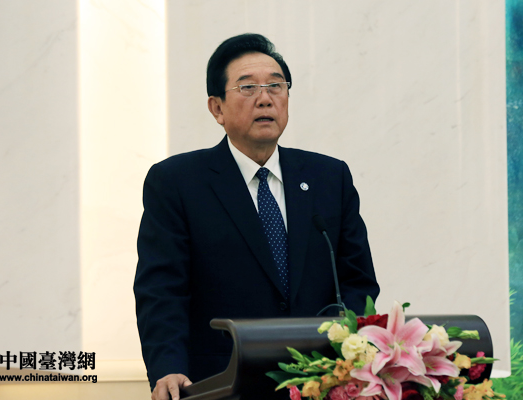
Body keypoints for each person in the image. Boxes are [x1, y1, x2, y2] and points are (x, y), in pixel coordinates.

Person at [134, 33, 379, 400]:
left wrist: (351, 357)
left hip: (320, 381)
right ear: (217, 108)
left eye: (276, 86)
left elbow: (357, 281)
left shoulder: (329, 177)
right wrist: (168, 365)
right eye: (247, 88)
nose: (265, 98)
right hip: (221, 382)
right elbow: (161, 290)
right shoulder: (176, 182)